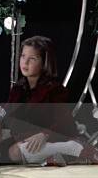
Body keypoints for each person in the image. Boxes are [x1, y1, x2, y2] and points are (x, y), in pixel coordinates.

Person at [6, 36, 98, 165]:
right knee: (8, 151)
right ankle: (54, 156)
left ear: (44, 62)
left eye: (32, 58)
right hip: (26, 137)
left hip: (54, 135)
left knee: (15, 152)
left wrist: (44, 135)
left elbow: (63, 122)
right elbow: (11, 120)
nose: (25, 62)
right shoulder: (17, 89)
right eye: (23, 56)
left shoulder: (55, 89)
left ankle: (71, 148)